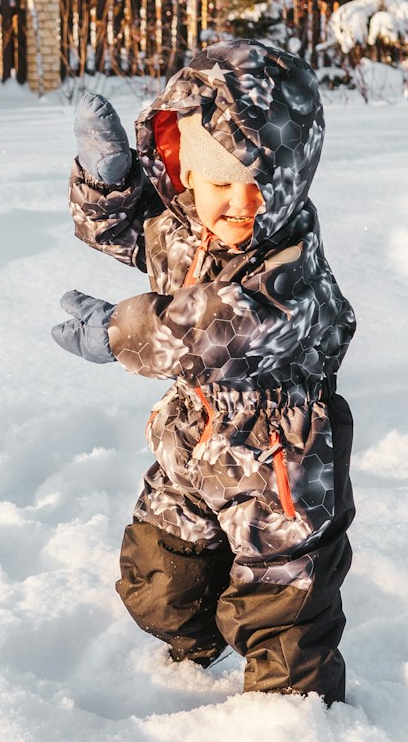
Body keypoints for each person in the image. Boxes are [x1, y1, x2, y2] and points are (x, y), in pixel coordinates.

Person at [52, 39, 358, 701]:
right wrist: (108, 183)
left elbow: (225, 325)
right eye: (217, 182)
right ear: (184, 172)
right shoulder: (191, 228)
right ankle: (202, 630)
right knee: (157, 585)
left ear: (290, 178)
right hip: (194, 443)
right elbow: (133, 230)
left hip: (280, 460)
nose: (236, 203)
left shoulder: (292, 266)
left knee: (282, 617)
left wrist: (116, 332)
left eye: (257, 184)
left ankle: (299, 729)